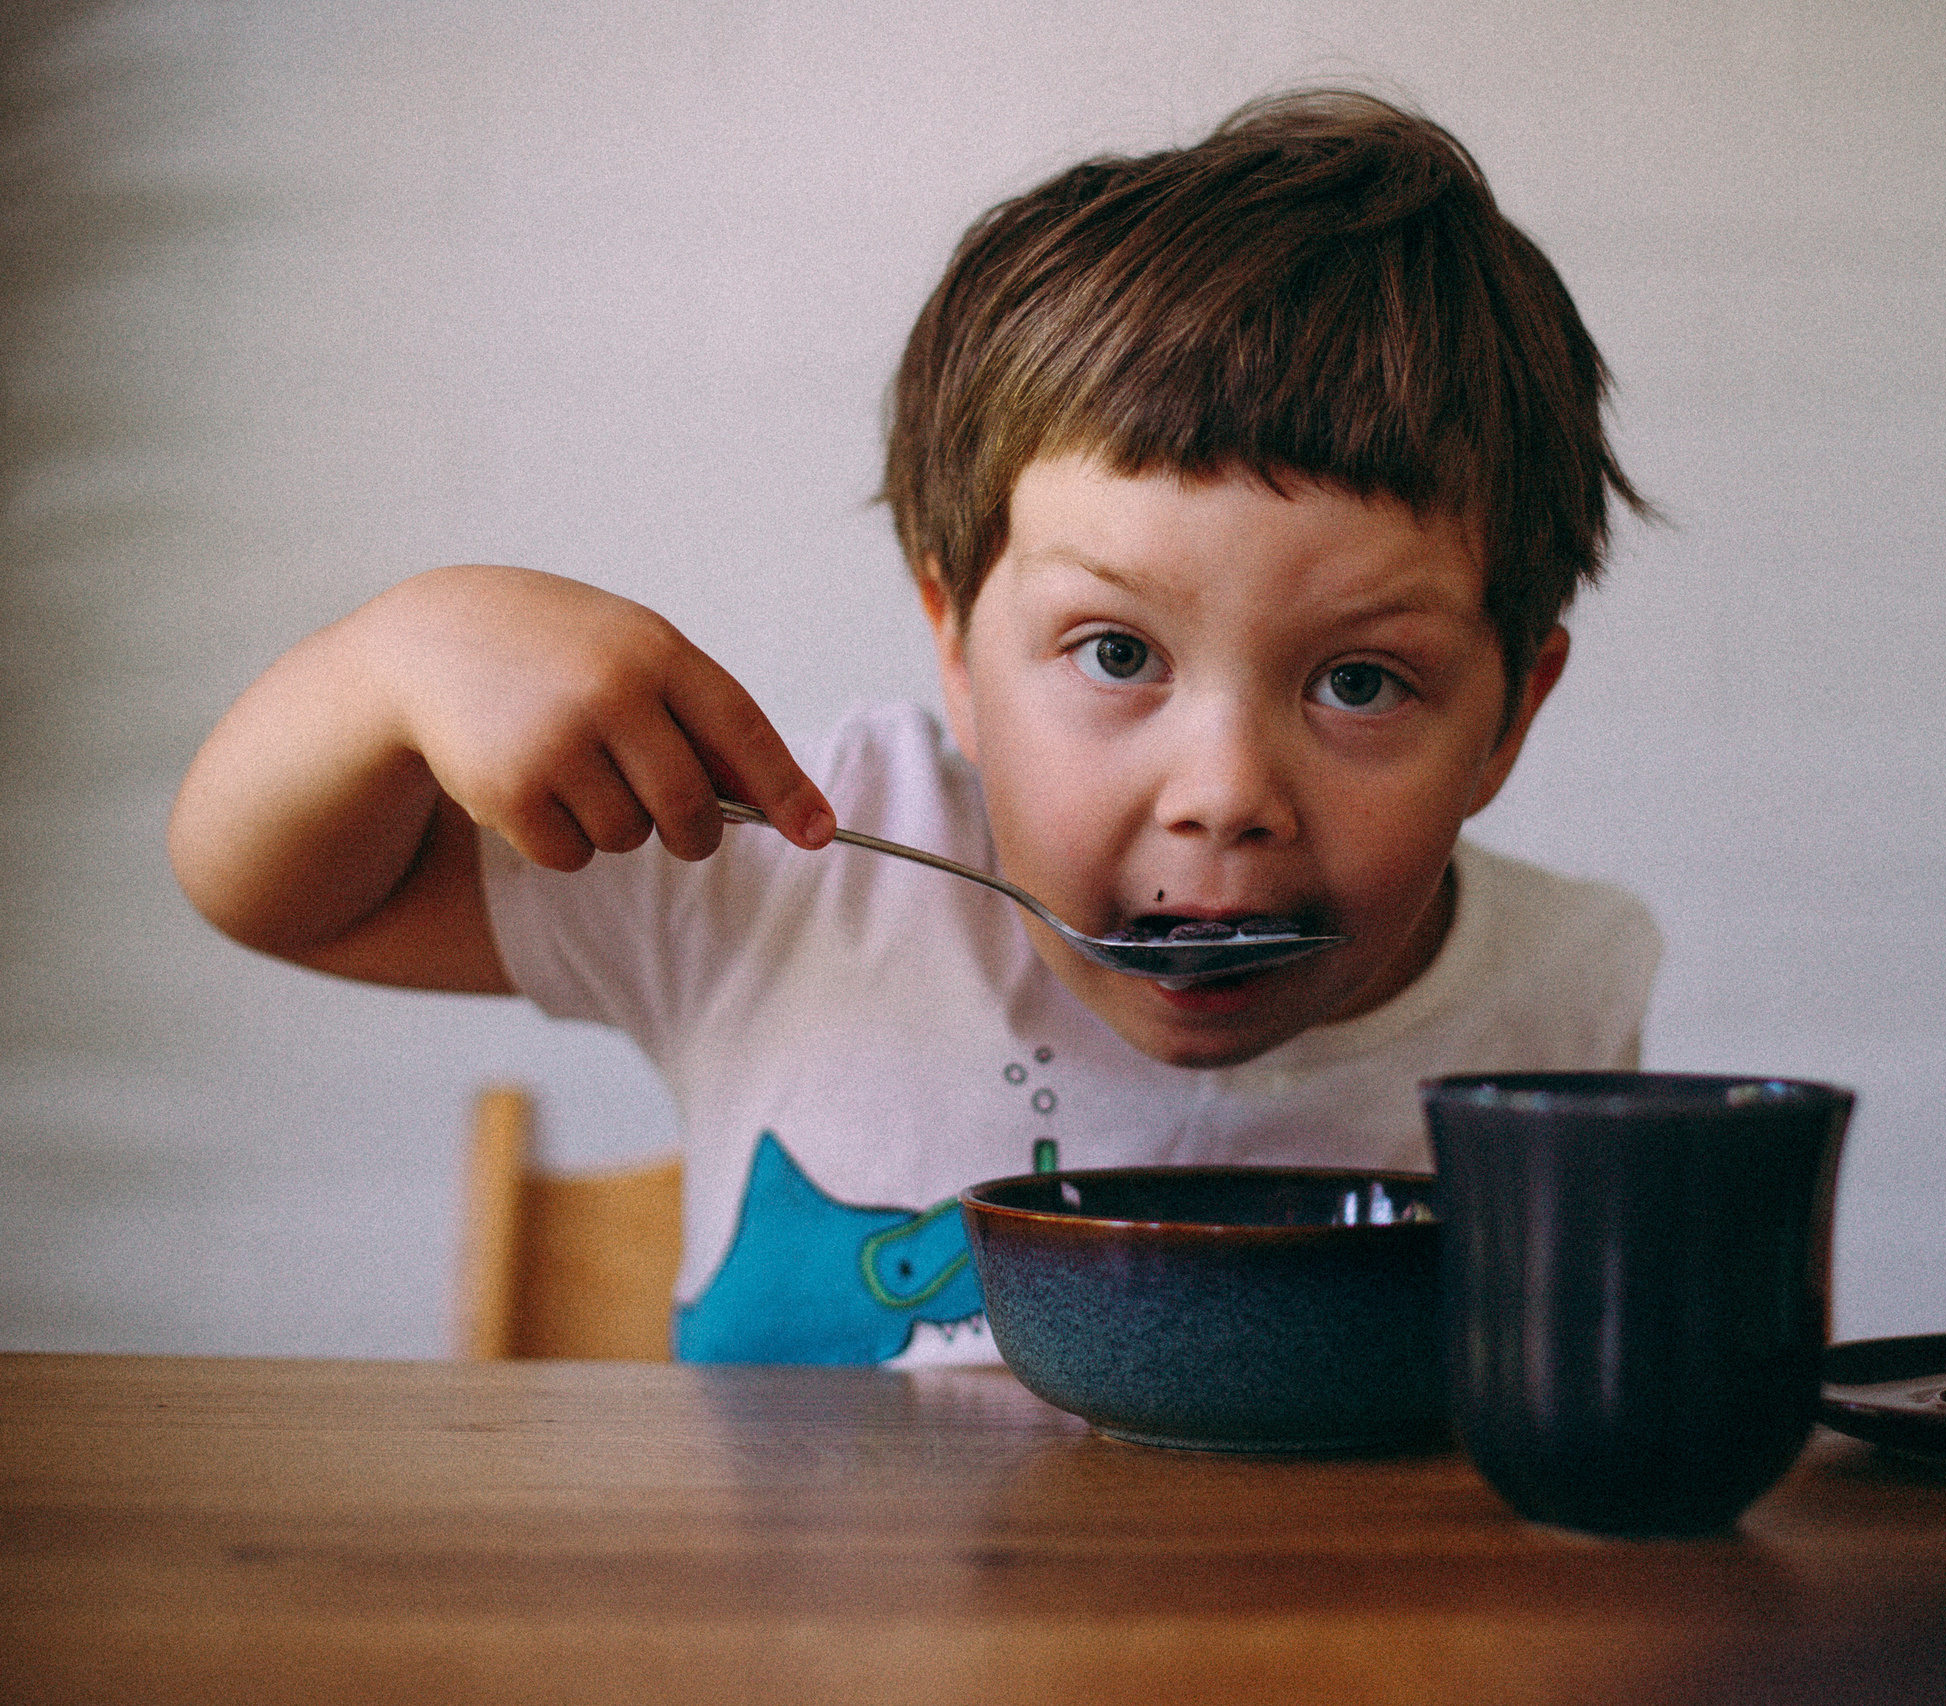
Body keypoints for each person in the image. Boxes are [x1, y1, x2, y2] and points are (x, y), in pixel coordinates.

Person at [166, 90, 1662, 1365]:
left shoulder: (1561, 1001)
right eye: (1117, 650)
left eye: (1358, 681)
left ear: (1508, 718)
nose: (1223, 795)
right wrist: (388, 660)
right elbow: (280, 894)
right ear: (953, 642)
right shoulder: (774, 882)